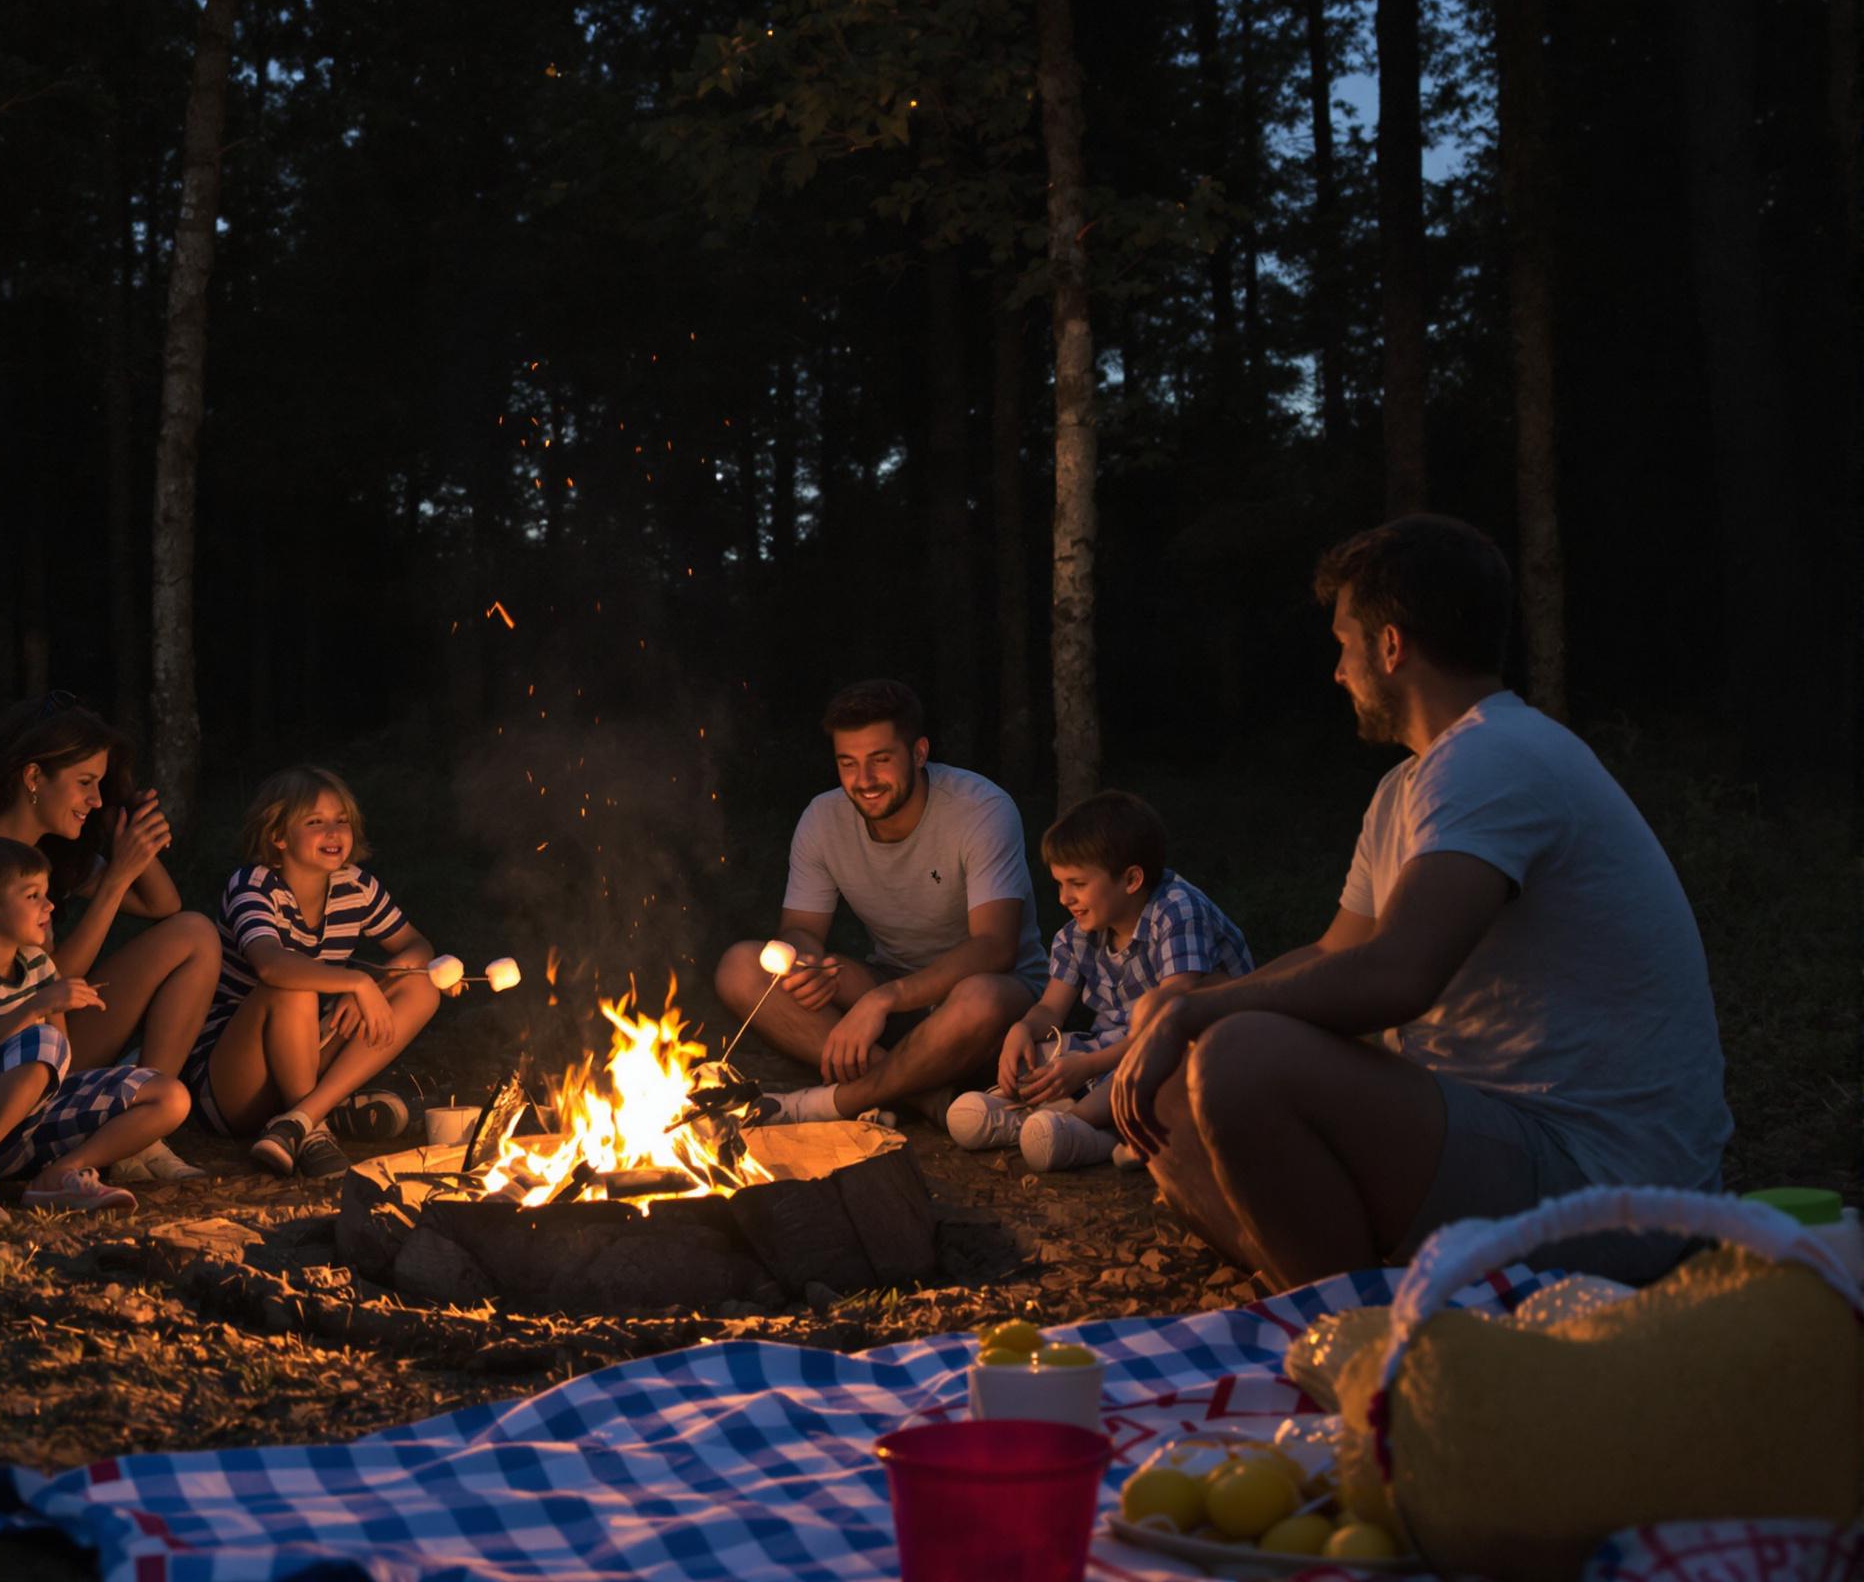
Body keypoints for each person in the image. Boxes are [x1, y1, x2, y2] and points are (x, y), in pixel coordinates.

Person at [1111, 515, 1733, 1287]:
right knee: (1169, 1062)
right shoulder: (1410, 784)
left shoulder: (1494, 757)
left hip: (1606, 1189)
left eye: (1344, 644)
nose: (1338, 671)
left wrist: (1203, 1016)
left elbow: (1399, 975)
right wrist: (1174, 1012)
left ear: (1391, 646)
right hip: (1493, 1139)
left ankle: (1372, 1343)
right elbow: (1340, 954)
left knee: (1240, 1059)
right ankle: (1356, 1288)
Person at [0, 694, 222, 1184]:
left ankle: (138, 1136)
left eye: (99, 785)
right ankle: (51, 1152)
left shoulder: (35, 855)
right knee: (51, 1023)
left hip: (20, 1050)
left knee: (195, 936)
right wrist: (116, 880)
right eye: (84, 784)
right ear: (33, 778)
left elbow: (164, 907)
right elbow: (44, 988)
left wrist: (125, 827)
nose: (93, 799)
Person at [713, 679, 1045, 1125]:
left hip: (991, 995)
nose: (864, 781)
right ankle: (921, 1096)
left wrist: (885, 1000)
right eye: (848, 763)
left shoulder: (980, 809)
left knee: (980, 997)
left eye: (880, 760)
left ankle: (829, 1103)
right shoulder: (823, 818)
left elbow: (994, 947)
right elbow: (799, 931)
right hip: (890, 983)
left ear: (920, 753)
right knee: (740, 967)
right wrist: (805, 961)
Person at [946, 789, 1254, 1170]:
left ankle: (1082, 1126)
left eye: (1077, 884)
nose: (1064, 898)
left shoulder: (1177, 911)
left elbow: (1174, 1018)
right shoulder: (1079, 933)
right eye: (1059, 884)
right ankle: (1041, 1115)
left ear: (1131, 879)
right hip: (1112, 1050)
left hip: (1191, 1048)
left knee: (1141, 1065)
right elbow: (1050, 1008)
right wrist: (1023, 1029)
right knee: (1044, 1057)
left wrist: (1089, 1067)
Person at [0, 836, 189, 1222]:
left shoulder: (37, 965)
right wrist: (36, 1007)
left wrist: (102, 1092)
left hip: (24, 1130)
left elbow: (62, 1063)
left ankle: (59, 1174)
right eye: (33, 896)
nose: (50, 905)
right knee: (40, 1040)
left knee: (168, 1095)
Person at [190, 767, 442, 1178]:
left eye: (341, 820)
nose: (333, 831)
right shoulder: (252, 885)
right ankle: (317, 1125)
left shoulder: (356, 886)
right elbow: (271, 964)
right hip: (230, 1081)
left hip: (302, 1052)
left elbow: (418, 948)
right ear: (278, 836)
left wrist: (383, 981)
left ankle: (303, 1119)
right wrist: (359, 983)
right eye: (315, 822)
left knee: (422, 986)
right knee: (295, 987)